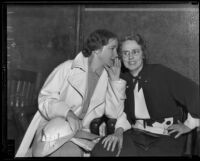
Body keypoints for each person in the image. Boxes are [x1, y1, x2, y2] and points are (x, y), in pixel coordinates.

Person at [15, 29, 131, 157]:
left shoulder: (109, 77)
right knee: (68, 152)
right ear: (97, 50)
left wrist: (115, 81)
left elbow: (114, 114)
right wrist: (67, 113)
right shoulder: (67, 68)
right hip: (55, 129)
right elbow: (45, 99)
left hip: (83, 134)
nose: (116, 54)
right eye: (112, 48)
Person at [91, 33, 200, 156]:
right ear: (121, 57)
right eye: (126, 53)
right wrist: (118, 132)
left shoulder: (160, 72)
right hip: (136, 134)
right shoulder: (122, 78)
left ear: (143, 54)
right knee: (101, 152)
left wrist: (190, 124)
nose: (130, 57)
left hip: (166, 136)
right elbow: (117, 114)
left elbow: (194, 93)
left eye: (135, 52)